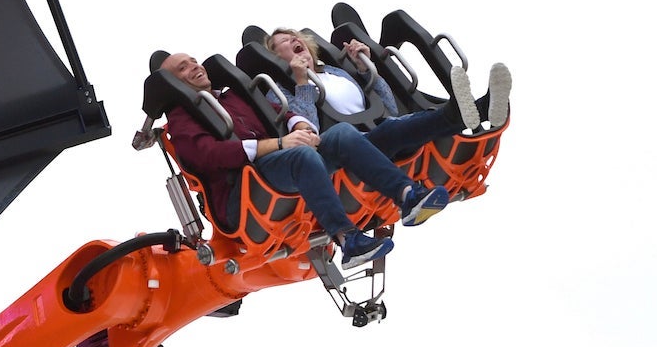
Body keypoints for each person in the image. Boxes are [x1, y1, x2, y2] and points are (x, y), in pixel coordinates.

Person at [159, 51, 450, 269]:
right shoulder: (182, 119)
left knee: (341, 134)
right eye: (182, 68)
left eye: (193, 61)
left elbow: (281, 113)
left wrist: (299, 126)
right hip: (246, 189)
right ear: (173, 83)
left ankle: (408, 195)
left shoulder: (232, 95)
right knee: (302, 155)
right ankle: (348, 239)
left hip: (285, 163)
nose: (194, 67)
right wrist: (281, 143)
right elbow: (207, 155)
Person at [266, 27, 512, 162]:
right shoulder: (280, 93)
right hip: (348, 150)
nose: (295, 39)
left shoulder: (333, 72)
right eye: (285, 41)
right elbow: (309, 133)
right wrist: (302, 82)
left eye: (296, 36)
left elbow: (388, 109)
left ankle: (481, 109)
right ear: (276, 57)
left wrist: (364, 69)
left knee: (409, 121)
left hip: (383, 133)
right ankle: (470, 111)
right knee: (396, 128)